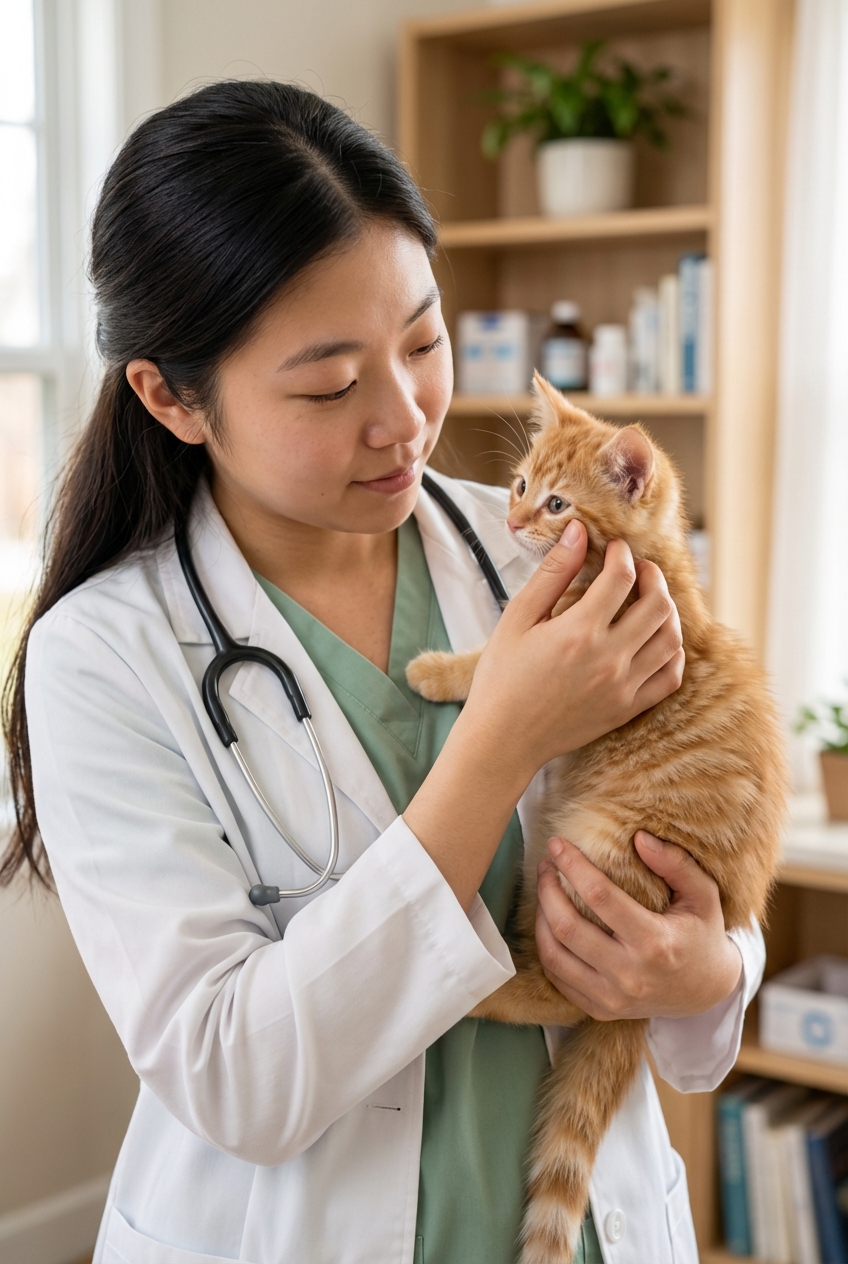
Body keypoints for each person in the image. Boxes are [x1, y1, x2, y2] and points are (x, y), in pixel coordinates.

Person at [1, 82, 763, 1264]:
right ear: (171, 395)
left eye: (421, 339)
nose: (405, 419)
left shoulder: (555, 547)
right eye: (328, 385)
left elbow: (711, 835)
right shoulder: (99, 658)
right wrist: (502, 730)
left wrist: (710, 968)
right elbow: (237, 1076)